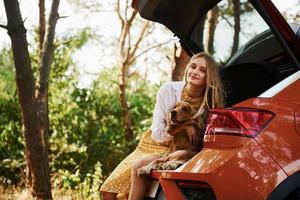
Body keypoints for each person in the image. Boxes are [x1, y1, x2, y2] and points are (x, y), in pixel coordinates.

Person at [100, 52, 225, 200]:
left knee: (139, 168)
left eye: (202, 70)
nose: (195, 72)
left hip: (177, 149)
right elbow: (158, 133)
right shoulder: (168, 90)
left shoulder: (211, 105)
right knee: (107, 191)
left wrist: (187, 153)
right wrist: (185, 127)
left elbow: (208, 143)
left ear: (209, 77)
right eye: (193, 66)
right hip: (153, 144)